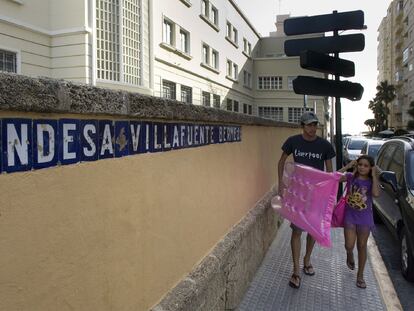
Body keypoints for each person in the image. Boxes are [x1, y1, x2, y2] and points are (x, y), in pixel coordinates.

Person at [277, 111, 335, 289]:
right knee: (296, 231)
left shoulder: (325, 145)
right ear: (302, 126)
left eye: (315, 124)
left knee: (313, 230)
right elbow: (281, 162)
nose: (313, 128)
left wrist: (330, 195)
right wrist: (281, 183)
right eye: (309, 125)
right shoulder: (293, 141)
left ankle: (307, 259)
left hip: (317, 196)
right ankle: (295, 270)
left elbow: (329, 173)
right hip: (298, 194)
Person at [338, 155, 379, 289]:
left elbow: (377, 194)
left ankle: (360, 275)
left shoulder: (371, 182)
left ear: (370, 168)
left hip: (365, 218)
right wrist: (348, 166)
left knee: (362, 245)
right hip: (350, 216)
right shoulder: (351, 177)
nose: (362, 167)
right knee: (349, 245)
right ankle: (349, 254)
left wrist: (374, 175)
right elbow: (335, 177)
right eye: (360, 164)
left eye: (366, 165)